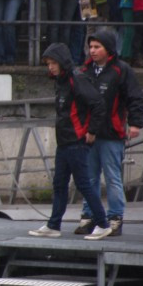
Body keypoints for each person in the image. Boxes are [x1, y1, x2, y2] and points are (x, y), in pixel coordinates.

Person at [27, 42, 112, 240]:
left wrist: (92, 131)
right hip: (64, 142)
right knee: (59, 184)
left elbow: (98, 104)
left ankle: (103, 223)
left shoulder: (76, 79)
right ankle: (54, 225)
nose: (50, 67)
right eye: (48, 64)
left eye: (53, 63)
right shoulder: (60, 81)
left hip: (76, 141)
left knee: (83, 183)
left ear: (62, 62)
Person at [73, 28, 143, 238]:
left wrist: (135, 124)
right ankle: (90, 215)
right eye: (91, 47)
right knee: (89, 178)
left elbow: (135, 97)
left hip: (111, 132)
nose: (92, 51)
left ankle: (115, 217)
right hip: (89, 134)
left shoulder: (121, 70)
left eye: (97, 47)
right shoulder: (84, 70)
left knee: (112, 177)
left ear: (108, 49)